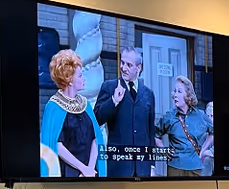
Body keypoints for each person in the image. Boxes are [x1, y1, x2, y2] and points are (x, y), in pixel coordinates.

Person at [40, 50, 106, 178]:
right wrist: (82, 168)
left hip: (91, 173)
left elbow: (96, 138)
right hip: (67, 174)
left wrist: (90, 169)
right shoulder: (53, 107)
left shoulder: (85, 104)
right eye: (80, 76)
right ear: (69, 79)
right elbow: (56, 145)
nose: (84, 79)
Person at [94, 46, 155, 178]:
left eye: (129, 65)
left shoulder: (148, 94)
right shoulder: (109, 87)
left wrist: (151, 164)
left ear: (138, 68)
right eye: (122, 63)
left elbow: (150, 132)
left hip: (142, 167)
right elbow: (97, 119)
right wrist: (114, 101)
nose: (123, 68)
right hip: (118, 166)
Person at [154, 76, 213, 177]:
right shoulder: (169, 116)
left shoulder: (200, 116)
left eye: (179, 92)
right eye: (175, 91)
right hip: (175, 167)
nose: (175, 95)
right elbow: (155, 135)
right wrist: (164, 151)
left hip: (195, 167)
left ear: (188, 95)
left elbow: (213, 132)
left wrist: (203, 150)